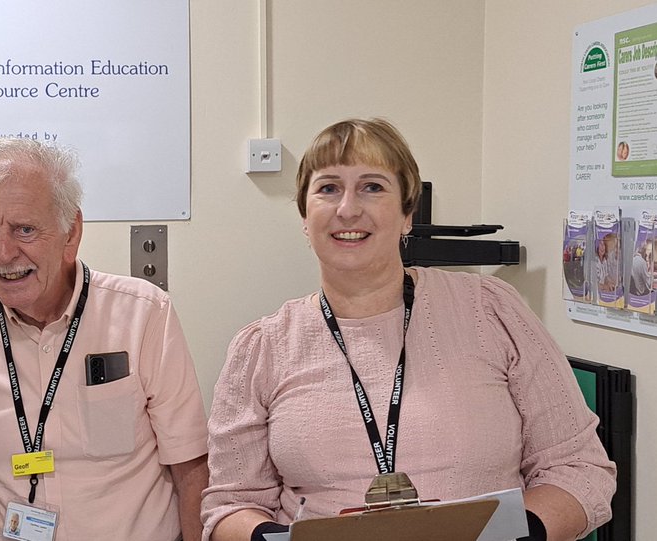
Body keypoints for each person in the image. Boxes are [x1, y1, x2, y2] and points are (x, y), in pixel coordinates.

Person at [202, 119, 616, 541]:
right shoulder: (262, 348)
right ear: (305, 218)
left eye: (372, 187)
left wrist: (519, 534)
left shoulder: (491, 310)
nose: (347, 208)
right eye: (328, 188)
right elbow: (231, 506)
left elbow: (579, 468)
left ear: (407, 215)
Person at [0, 137, 209, 540]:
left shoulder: (144, 315)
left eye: (24, 229)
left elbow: (190, 467)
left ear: (71, 233)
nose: (3, 253)